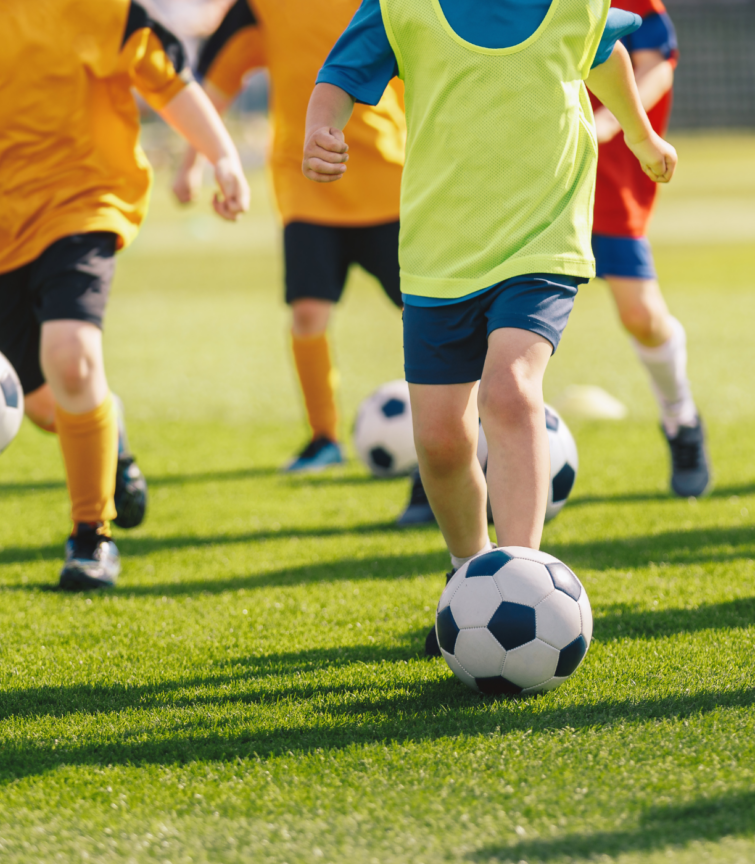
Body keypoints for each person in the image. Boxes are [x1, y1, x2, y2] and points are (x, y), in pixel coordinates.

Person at [303, 0, 677, 654]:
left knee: (509, 389)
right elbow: (340, 73)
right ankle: (470, 572)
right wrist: (322, 127)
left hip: (543, 237)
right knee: (442, 441)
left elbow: (606, 53)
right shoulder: (402, 7)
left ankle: (521, 576)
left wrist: (641, 136)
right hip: (439, 254)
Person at [0, 0, 249, 590]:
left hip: (86, 203)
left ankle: (91, 536)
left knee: (71, 355)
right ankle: (109, 442)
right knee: (45, 406)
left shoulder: (115, 9)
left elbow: (171, 82)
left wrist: (222, 155)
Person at [174, 0, 407, 474]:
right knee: (307, 311)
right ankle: (323, 437)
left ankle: (463, 427)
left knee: (428, 313)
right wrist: (191, 162)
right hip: (307, 182)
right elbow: (215, 80)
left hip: (390, 178)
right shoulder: (262, 6)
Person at [591, 0, 710, 498]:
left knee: (641, 315)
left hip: (606, 184)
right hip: (519, 184)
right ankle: (460, 459)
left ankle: (681, 419)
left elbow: (655, 66)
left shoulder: (634, 5)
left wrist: (608, 121)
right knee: (491, 325)